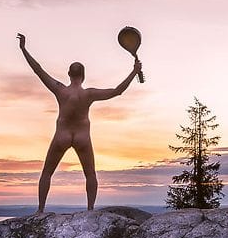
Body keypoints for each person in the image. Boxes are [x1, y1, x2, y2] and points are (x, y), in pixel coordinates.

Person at [17, 33, 142, 212]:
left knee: (47, 173)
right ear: (83, 76)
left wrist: (23, 49)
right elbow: (117, 91)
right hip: (82, 137)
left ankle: (40, 210)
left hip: (62, 135)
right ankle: (90, 209)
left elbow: (38, 70)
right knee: (90, 174)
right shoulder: (89, 94)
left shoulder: (60, 90)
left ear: (69, 74)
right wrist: (134, 72)